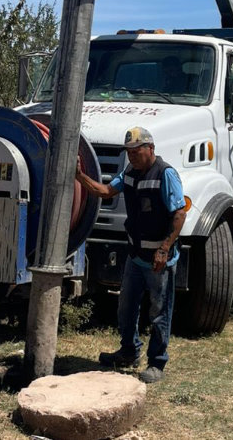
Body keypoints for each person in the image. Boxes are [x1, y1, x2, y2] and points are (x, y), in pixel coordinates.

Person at [75, 126, 186, 384]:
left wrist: (164, 248)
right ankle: (128, 351)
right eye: (129, 152)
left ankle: (157, 363)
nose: (133, 156)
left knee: (159, 311)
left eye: (137, 151)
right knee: (126, 307)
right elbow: (104, 191)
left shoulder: (165, 174)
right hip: (135, 256)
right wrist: (80, 176)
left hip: (159, 260)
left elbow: (179, 214)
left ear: (151, 149)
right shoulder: (129, 173)